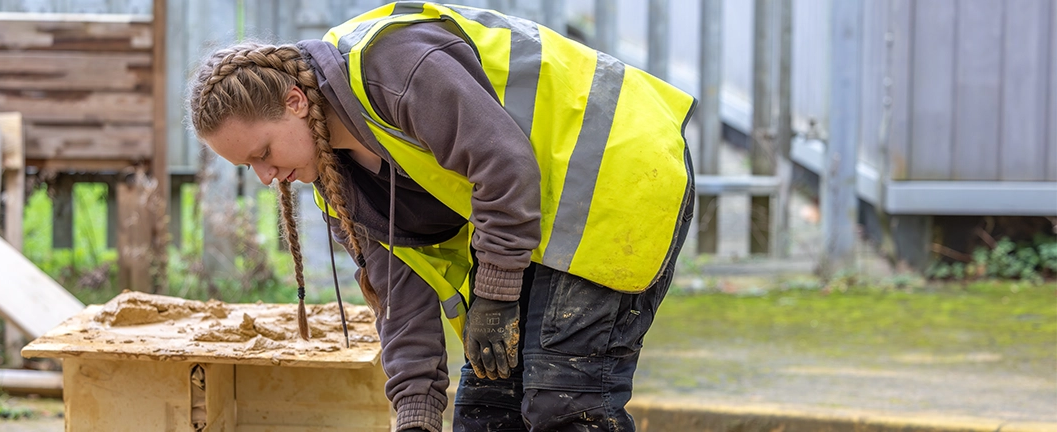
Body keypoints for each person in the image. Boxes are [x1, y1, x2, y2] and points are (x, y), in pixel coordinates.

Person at [187, 2, 695, 431]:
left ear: (295, 101)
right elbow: (401, 297)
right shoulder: (337, 185)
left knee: (562, 396)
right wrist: (415, 413)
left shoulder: (392, 67)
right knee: (485, 410)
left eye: (262, 153)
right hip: (535, 217)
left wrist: (495, 295)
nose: (265, 176)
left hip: (614, 174)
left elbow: (503, 166)